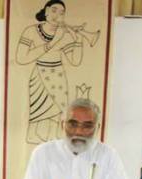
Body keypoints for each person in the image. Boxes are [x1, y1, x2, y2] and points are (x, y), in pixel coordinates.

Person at [19, 98, 134, 179]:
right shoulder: (42, 153)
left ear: (97, 128)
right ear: (62, 124)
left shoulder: (108, 155)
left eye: (87, 126)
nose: (79, 131)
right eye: (73, 124)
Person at [16, 0, 95, 143]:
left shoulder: (65, 34)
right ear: (45, 11)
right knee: (39, 113)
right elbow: (21, 58)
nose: (57, 15)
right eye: (53, 10)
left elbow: (75, 61)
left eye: (61, 13)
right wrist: (53, 42)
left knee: (58, 116)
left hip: (58, 77)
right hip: (39, 75)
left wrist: (78, 40)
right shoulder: (31, 31)